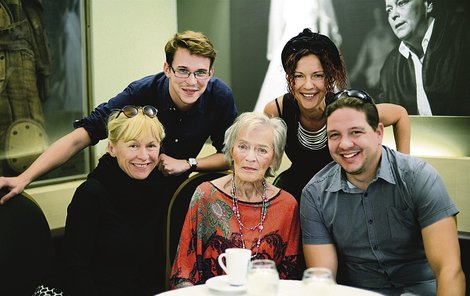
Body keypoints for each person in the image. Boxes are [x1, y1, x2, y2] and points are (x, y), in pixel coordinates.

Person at [0, 30, 237, 204]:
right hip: (113, 191)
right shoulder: (141, 92)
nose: (192, 82)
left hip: (164, 198)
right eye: (183, 71)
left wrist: (189, 164)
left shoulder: (220, 97)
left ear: (211, 72)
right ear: (167, 69)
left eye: (200, 73)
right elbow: (80, 137)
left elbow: (230, 155)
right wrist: (24, 178)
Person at [300, 90, 465, 295]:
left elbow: (449, 270)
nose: (344, 144)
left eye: (356, 132)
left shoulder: (419, 177)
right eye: (335, 135)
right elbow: (322, 281)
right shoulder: (314, 194)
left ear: (378, 133)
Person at [264, 28, 410, 202]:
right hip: (297, 191)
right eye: (299, 76)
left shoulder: (345, 107)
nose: (308, 85)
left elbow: (400, 115)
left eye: (317, 76)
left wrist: (403, 172)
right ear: (290, 78)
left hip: (341, 192)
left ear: (329, 78)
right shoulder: (276, 111)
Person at [169, 112, 300, 288]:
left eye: (262, 150)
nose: (250, 157)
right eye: (243, 146)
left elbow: (289, 279)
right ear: (231, 150)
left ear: (274, 158)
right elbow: (183, 272)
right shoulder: (206, 195)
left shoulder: (286, 205)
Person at [63, 105, 166, 295]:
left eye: (151, 145)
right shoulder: (91, 194)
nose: (143, 156)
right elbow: (75, 269)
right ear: (112, 148)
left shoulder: (159, 188)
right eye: (133, 145)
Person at [378, 0, 470, 115]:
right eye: (389, 10)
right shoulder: (390, 68)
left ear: (428, 5)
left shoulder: (463, 35)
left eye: (401, 3)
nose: (393, 15)